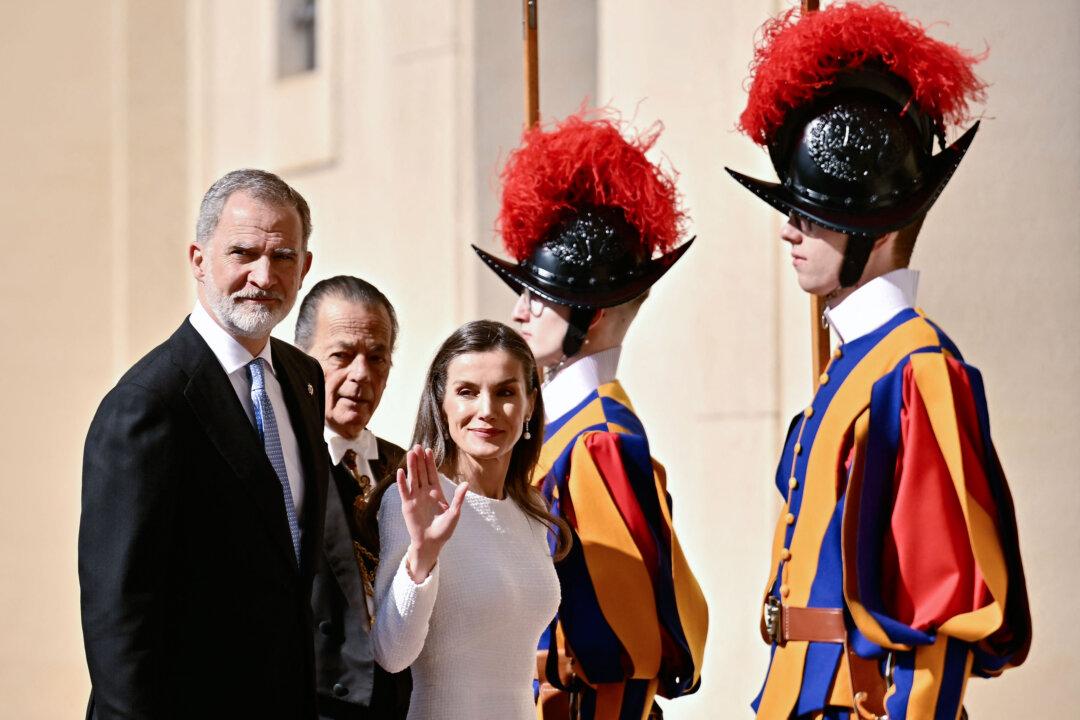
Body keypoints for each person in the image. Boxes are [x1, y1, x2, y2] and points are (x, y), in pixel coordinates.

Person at [724, 4, 1031, 718]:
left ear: (870, 227)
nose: (788, 230)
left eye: (810, 212)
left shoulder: (918, 370)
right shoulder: (859, 365)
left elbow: (944, 612)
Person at [473, 111, 709, 719]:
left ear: (592, 314)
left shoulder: (600, 440)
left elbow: (624, 654)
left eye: (538, 294)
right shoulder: (562, 432)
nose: (520, 311)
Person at [79, 169, 329, 719]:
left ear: (305, 267)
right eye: (242, 253)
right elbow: (119, 614)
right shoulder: (147, 404)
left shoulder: (304, 377)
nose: (263, 276)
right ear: (198, 259)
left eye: (283, 256)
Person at [371, 320, 569, 720]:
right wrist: (423, 557)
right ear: (442, 404)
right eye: (467, 392)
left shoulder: (530, 510)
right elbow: (391, 654)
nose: (487, 410)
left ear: (531, 403)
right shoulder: (413, 499)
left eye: (505, 392)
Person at [295, 276, 411, 719]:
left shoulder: (406, 469)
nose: (361, 375)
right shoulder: (282, 464)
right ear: (302, 359)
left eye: (377, 357)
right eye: (342, 356)